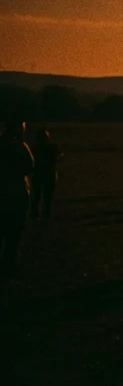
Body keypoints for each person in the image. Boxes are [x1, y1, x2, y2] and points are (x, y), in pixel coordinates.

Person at [1, 121, 34, 283]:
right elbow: (30, 166)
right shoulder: (20, 147)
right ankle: (8, 266)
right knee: (13, 233)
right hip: (17, 194)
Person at [29, 129, 59, 220]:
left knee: (37, 195)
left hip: (38, 173)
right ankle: (45, 213)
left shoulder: (34, 149)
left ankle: (35, 213)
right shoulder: (52, 147)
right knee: (47, 196)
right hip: (48, 173)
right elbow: (58, 156)